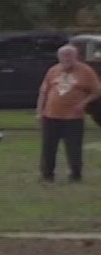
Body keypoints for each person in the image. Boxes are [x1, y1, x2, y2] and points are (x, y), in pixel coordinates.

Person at [36, 43, 97, 184]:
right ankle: (47, 175)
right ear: (59, 57)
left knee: (74, 148)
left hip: (73, 118)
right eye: (63, 56)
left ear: (76, 56)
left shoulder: (85, 71)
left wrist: (83, 103)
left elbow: (96, 91)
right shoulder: (53, 70)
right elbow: (43, 91)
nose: (66, 58)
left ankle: (75, 175)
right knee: (48, 147)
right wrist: (39, 111)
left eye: (70, 55)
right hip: (51, 116)